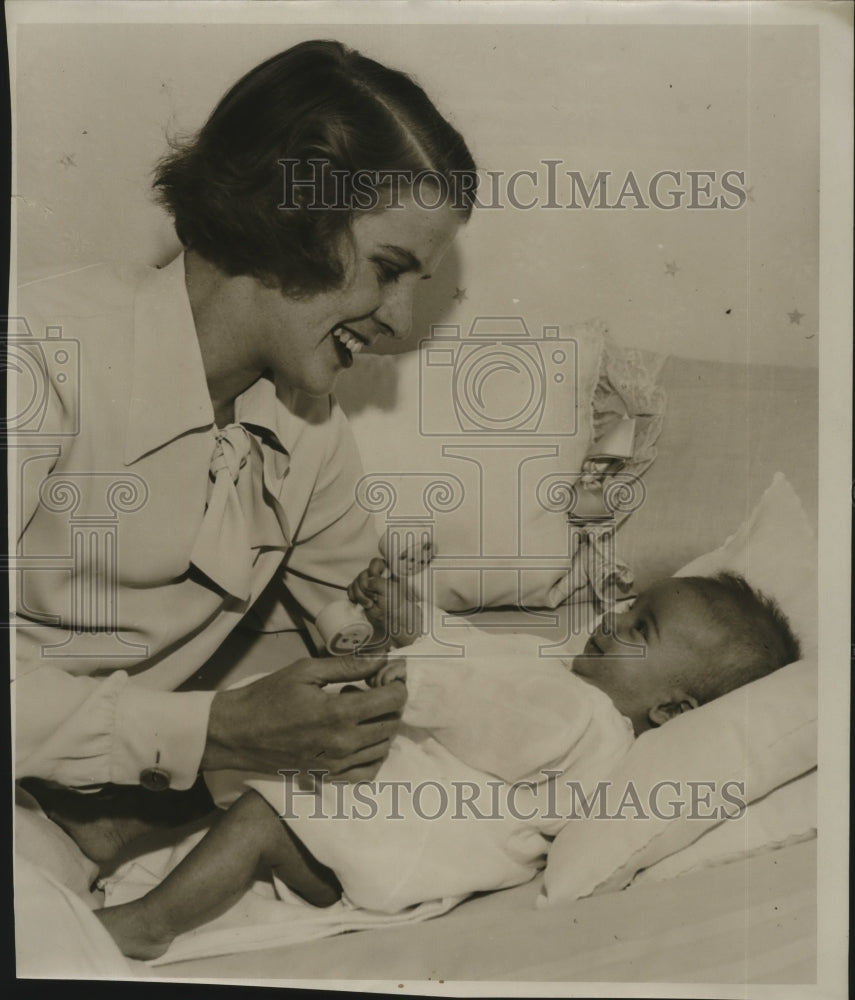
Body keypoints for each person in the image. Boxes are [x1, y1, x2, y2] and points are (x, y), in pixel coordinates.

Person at [12, 40, 477, 799]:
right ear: (289, 215)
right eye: (389, 270)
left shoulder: (307, 425)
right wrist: (212, 730)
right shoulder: (35, 358)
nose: (398, 319)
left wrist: (382, 628)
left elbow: (354, 618)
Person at [87, 571, 800, 959]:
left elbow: (486, 710)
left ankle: (150, 921)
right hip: (380, 828)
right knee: (257, 770)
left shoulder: (588, 723)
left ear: (672, 712)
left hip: (399, 851)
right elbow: (484, 660)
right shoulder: (566, 682)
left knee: (263, 807)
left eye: (641, 629)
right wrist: (418, 623)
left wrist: (412, 675)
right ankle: (111, 830)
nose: (612, 620)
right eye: (630, 606)